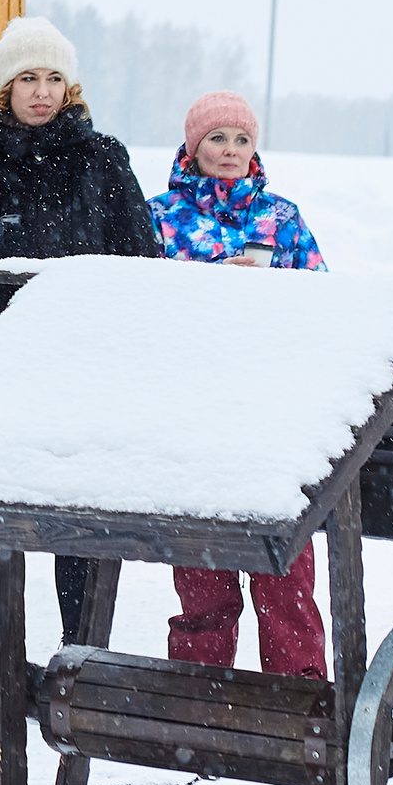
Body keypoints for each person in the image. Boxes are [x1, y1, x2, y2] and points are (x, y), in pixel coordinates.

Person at [0, 16, 157, 692]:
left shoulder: (102, 159)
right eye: (28, 78)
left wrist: (90, 289)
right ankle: (6, 672)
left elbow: (144, 260)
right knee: (5, 526)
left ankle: (83, 668)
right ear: (5, 86)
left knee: (80, 527)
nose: (42, 91)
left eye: (53, 78)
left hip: (83, 365)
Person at [150, 91, 327, 679]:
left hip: (271, 417)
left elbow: (325, 301)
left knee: (288, 584)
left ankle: (301, 710)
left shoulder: (283, 217)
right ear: (193, 146)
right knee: (203, 591)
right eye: (217, 138)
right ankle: (197, 707)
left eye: (242, 139)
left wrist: (272, 295)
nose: (230, 150)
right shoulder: (159, 216)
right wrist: (206, 286)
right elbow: (136, 308)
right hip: (191, 416)